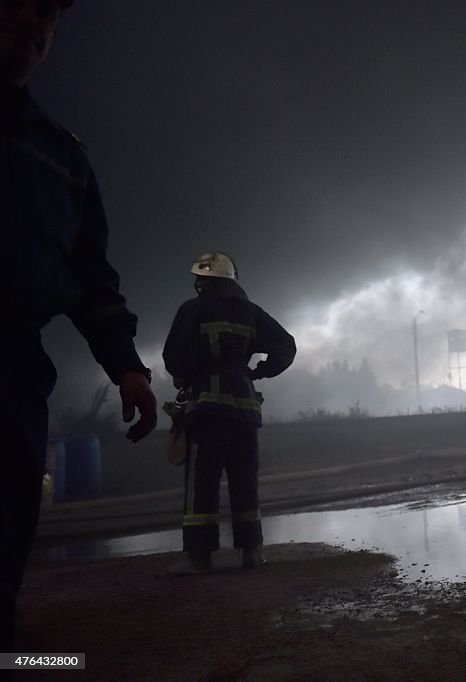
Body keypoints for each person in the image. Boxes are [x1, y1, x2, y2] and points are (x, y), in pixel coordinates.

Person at [0, 0, 157, 652]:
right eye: (19, 6)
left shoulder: (61, 157)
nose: (37, 25)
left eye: (50, 17)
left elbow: (92, 276)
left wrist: (127, 366)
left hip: (10, 372)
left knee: (6, 526)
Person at [162, 251, 296, 574]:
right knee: (244, 479)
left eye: (201, 279)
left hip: (208, 408)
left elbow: (174, 358)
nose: (197, 284)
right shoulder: (252, 313)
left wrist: (188, 376)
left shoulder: (191, 310)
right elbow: (286, 347)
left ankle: (199, 558)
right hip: (246, 409)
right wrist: (258, 371)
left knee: (202, 482)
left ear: (207, 283)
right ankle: (252, 553)